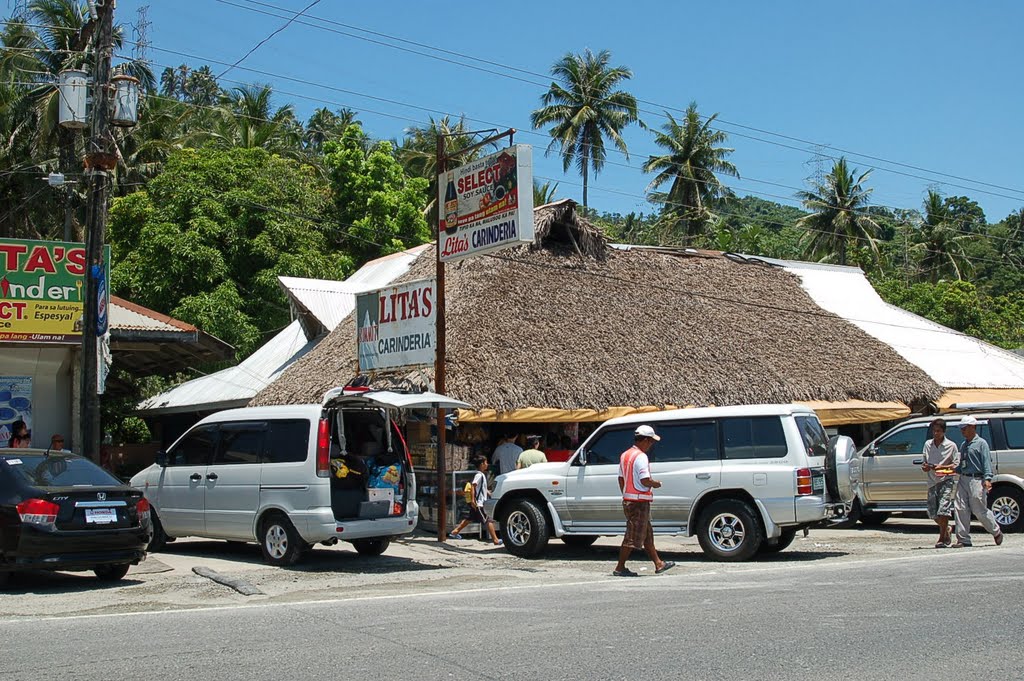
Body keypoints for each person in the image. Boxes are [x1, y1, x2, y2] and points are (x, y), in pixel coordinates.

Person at [612, 425, 675, 577]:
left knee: (646, 533)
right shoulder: (641, 457)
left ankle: (658, 563)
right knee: (632, 536)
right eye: (651, 442)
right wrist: (656, 484)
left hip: (630, 499)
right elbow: (645, 480)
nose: (651, 445)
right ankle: (620, 567)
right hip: (639, 502)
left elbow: (621, 478)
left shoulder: (625, 455)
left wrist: (626, 494)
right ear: (645, 440)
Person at [952, 415, 1004, 548]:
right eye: (961, 428)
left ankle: (995, 531)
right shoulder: (964, 445)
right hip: (964, 478)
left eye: (965, 428)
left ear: (972, 427)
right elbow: (962, 464)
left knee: (979, 509)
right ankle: (963, 539)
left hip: (977, 479)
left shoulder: (981, 443)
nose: (962, 430)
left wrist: (987, 479)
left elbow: (986, 462)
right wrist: (951, 469)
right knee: (960, 507)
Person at [920, 419, 959, 548]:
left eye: (938, 431)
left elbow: (956, 464)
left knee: (944, 509)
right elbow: (924, 461)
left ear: (943, 432)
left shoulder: (951, 446)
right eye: (934, 431)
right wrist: (926, 467)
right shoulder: (928, 445)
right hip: (932, 481)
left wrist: (942, 467)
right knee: (933, 512)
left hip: (945, 480)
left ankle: (941, 538)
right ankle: (946, 528)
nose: (936, 434)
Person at [448, 455, 502, 545]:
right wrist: (473, 500)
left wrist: (489, 493)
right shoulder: (479, 475)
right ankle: (495, 540)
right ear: (481, 464)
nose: (487, 464)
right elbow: (473, 486)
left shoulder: (481, 475)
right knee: (488, 520)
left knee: (470, 518)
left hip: (478, 502)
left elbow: (482, 489)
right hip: (479, 503)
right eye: (485, 462)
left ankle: (455, 532)